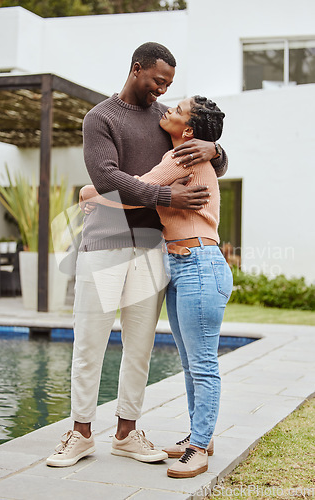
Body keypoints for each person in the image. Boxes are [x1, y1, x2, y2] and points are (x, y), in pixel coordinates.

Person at [46, 42, 228, 468]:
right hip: (104, 241)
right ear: (136, 70)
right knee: (90, 343)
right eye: (157, 81)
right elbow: (106, 175)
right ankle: (81, 432)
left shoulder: (165, 120)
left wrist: (216, 150)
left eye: (168, 85)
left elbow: (203, 155)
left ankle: (127, 432)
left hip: (152, 245)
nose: (161, 91)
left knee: (141, 346)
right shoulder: (100, 118)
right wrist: (165, 195)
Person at [79, 95, 233, 478]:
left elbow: (137, 190)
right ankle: (201, 437)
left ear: (189, 131)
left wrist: (91, 194)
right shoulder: (187, 152)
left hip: (199, 264)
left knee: (202, 365)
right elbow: (147, 190)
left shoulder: (181, 156)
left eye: (178, 109)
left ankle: (198, 447)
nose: (168, 108)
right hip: (182, 264)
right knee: (190, 362)